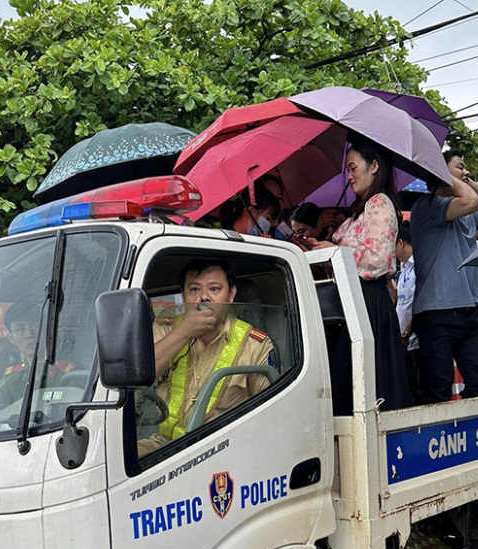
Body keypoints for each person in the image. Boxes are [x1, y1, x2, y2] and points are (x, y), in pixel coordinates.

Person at [308, 135, 412, 413]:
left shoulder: (379, 203)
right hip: (356, 301)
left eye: (353, 168)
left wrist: (334, 250)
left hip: (367, 302)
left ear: (374, 166)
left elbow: (376, 260)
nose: (349, 176)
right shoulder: (362, 209)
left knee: (367, 384)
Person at [138, 259, 275, 455]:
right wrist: (185, 331)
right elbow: (142, 374)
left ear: (231, 294)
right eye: (194, 290)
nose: (203, 297)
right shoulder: (166, 328)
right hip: (165, 443)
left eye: (214, 289)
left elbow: (270, 413)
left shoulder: (255, 344)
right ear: (183, 295)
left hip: (223, 447)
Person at [410, 148, 478, 403]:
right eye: (460, 166)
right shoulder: (426, 207)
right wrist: (442, 174)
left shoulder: (468, 215)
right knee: (438, 389)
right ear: (441, 172)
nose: (466, 171)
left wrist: (465, 179)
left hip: (472, 311)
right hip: (436, 313)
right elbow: (471, 201)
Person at [0, 300, 75, 406]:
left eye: (36, 326)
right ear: (11, 338)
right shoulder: (12, 380)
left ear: (46, 329)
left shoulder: (69, 371)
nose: (29, 334)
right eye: (20, 329)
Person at [394, 222, 420, 402]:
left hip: (416, 339)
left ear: (401, 243)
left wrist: (406, 331)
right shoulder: (404, 270)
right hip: (405, 341)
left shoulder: (419, 267)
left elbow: (417, 303)